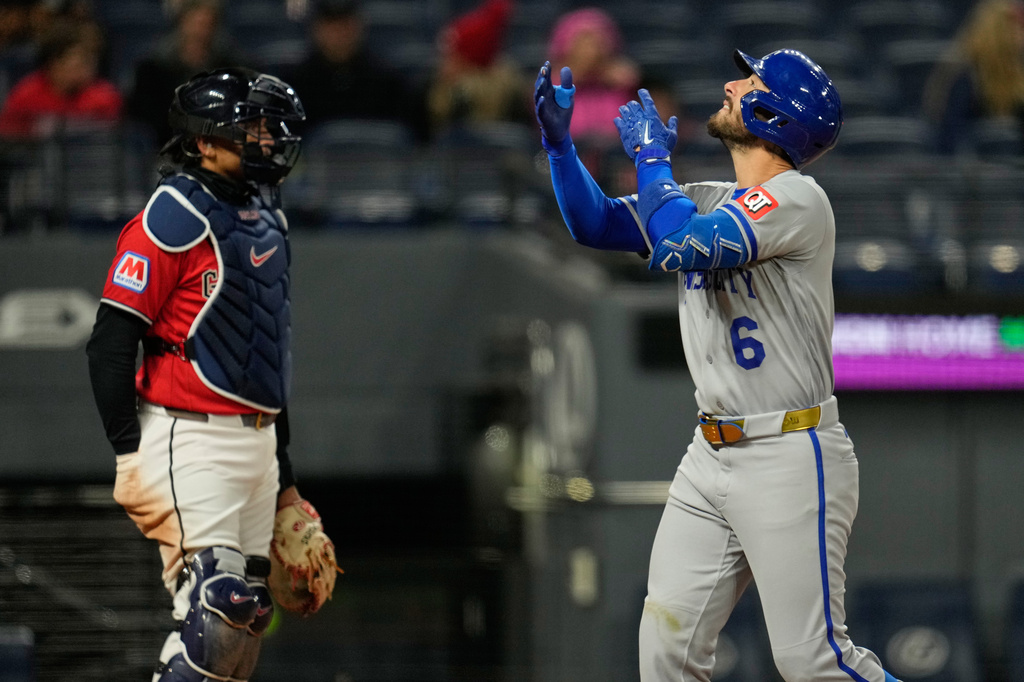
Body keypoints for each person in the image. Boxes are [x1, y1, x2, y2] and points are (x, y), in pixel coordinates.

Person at [534, 50, 903, 682]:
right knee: (666, 654)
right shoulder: (710, 198)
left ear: (772, 114)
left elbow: (684, 247)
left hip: (789, 450)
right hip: (710, 454)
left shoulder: (798, 199)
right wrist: (559, 146)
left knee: (812, 661)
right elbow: (594, 224)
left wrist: (652, 162)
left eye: (750, 82)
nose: (732, 85)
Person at [85, 67, 338, 681]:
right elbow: (110, 341)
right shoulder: (174, 213)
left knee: (241, 638)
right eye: (246, 127)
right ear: (203, 141)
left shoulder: (264, 213)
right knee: (216, 611)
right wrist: (127, 452)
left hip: (256, 443)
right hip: (188, 434)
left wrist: (285, 483)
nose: (264, 137)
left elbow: (263, 365)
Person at [281, 0, 426, 139]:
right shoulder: (295, 85)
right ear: (316, 28)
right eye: (331, 26)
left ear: (359, 26)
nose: (339, 34)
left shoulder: (388, 82)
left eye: (345, 25)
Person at [125, 0, 244, 144]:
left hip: (216, 147)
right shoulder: (152, 70)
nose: (201, 31)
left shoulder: (230, 69)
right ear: (182, 22)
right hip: (166, 148)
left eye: (208, 24)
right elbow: (145, 120)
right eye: (196, 23)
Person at [922, 0, 1024, 155]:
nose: (1021, 35)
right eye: (1019, 27)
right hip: (974, 174)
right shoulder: (964, 80)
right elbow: (949, 143)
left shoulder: (1018, 76)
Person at [426, 0, 532, 138]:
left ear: (468, 63)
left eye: (451, 57)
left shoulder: (457, 100)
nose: (443, 64)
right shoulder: (435, 91)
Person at [0, 17, 120, 137]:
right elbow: (9, 141)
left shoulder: (104, 97)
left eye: (91, 61)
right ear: (54, 63)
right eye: (80, 63)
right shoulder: (26, 95)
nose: (89, 69)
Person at [545, 7, 640, 144]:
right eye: (582, 43)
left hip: (616, 148)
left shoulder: (623, 78)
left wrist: (600, 75)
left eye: (595, 42)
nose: (590, 51)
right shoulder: (552, 82)